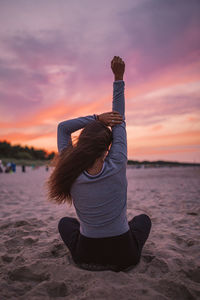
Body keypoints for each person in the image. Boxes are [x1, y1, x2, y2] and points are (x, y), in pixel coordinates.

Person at [47, 56, 151, 272]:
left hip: (86, 253)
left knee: (65, 224)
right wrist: (118, 77)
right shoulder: (117, 162)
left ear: (83, 143)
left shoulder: (70, 168)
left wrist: (96, 118)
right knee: (142, 220)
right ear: (107, 148)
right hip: (125, 254)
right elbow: (119, 118)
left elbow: (62, 128)